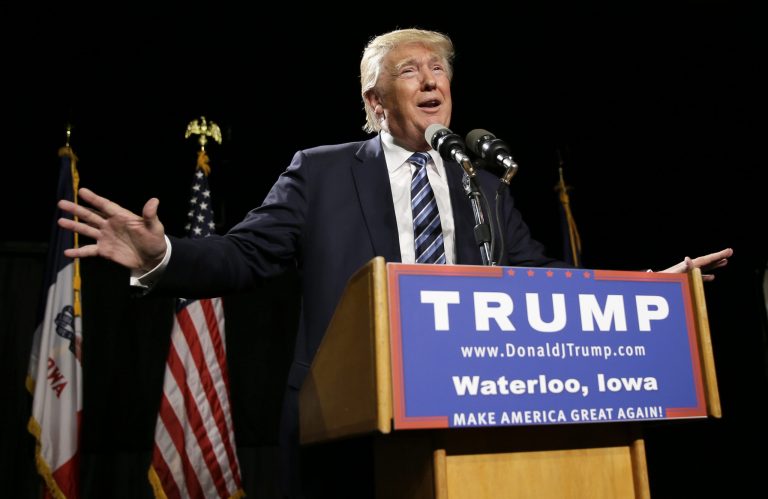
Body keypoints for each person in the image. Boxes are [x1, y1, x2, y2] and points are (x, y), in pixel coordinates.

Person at [57, 28, 733, 498]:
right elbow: (244, 254)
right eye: (409, 70)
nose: (430, 78)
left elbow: (537, 278)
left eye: (438, 69)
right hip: (347, 430)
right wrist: (164, 254)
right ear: (375, 104)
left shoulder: (484, 183)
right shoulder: (319, 174)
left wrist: (647, 296)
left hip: (468, 423)